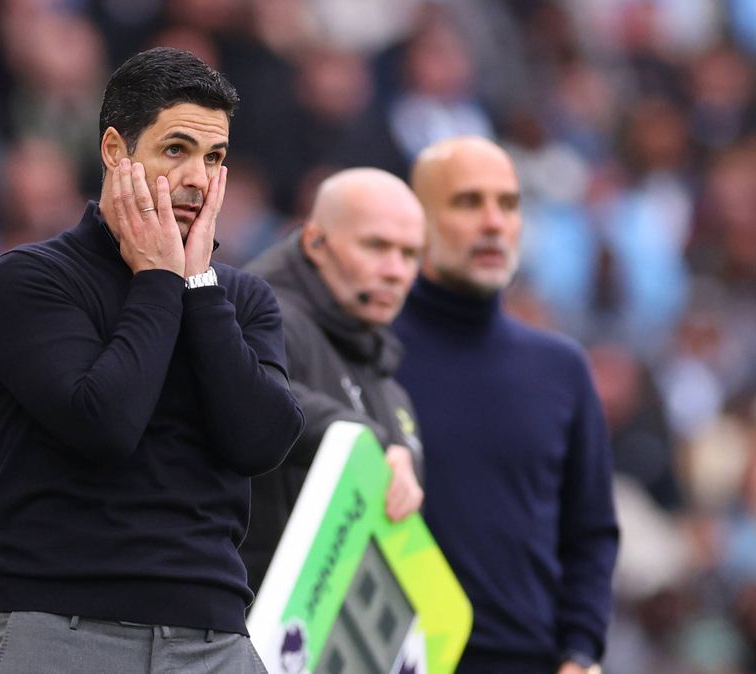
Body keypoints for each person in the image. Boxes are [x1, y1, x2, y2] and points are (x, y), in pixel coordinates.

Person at [0, 47, 304, 673]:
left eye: (215, 158)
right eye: (176, 149)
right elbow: (104, 423)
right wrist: (158, 279)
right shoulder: (31, 280)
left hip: (215, 639)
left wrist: (197, 285)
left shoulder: (240, 298)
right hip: (63, 632)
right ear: (113, 151)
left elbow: (262, 441)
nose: (198, 179)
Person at [394, 136, 618, 674]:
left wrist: (581, 651)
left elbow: (591, 533)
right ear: (417, 220)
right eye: (468, 202)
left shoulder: (562, 368)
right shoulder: (368, 352)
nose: (494, 223)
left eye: (509, 204)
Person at [242, 168, 426, 594]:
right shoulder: (257, 319)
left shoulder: (387, 380)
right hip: (248, 617)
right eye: (376, 246)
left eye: (410, 254)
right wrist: (367, 442)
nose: (396, 271)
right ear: (315, 243)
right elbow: (256, 393)